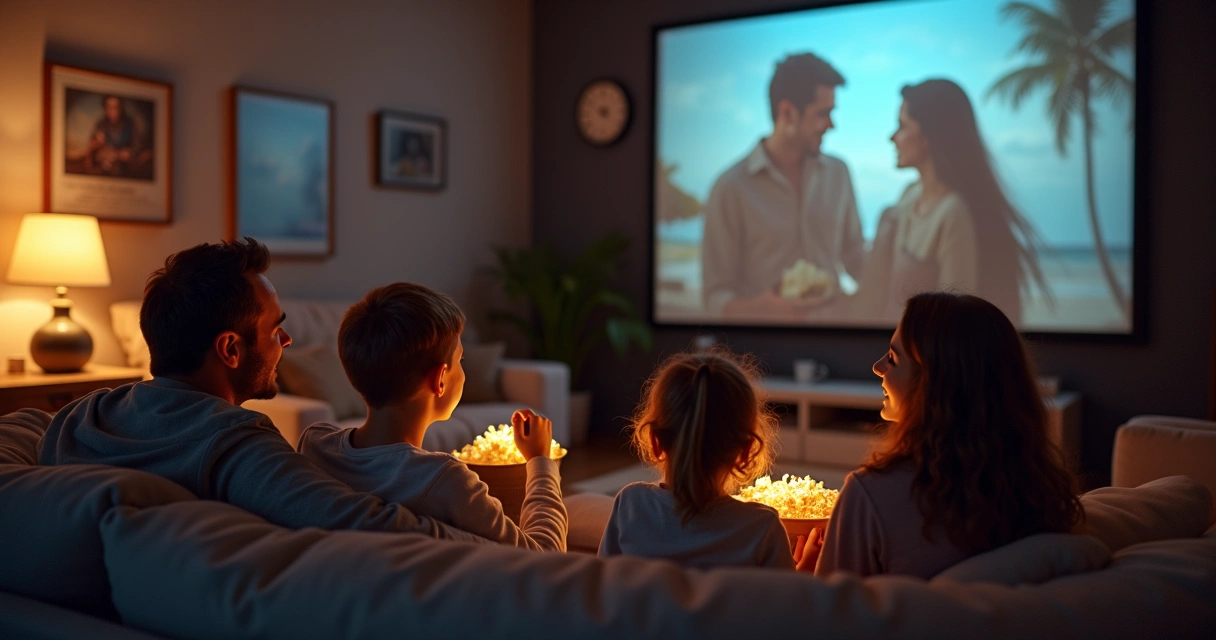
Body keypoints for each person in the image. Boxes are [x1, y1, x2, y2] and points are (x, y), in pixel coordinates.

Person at [37, 238, 487, 542]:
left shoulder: (81, 417)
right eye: (275, 329)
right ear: (231, 349)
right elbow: (366, 524)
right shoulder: (237, 445)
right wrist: (486, 539)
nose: (286, 342)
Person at [813, 292, 1081, 578]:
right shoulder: (1041, 491)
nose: (877, 367)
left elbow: (830, 615)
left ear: (931, 385)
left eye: (892, 358)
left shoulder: (870, 495)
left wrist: (806, 576)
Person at [297, 283, 568, 552]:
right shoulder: (445, 481)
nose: (463, 371)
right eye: (460, 360)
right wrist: (541, 461)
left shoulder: (315, 445)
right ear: (440, 380)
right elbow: (544, 556)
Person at [598, 349, 816, 570]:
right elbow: (784, 603)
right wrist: (806, 568)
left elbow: (604, 584)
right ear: (747, 451)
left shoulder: (631, 504)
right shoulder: (762, 528)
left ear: (655, 441)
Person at [855, 79, 1048, 326]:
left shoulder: (952, 213)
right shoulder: (909, 196)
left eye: (902, 126)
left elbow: (953, 329)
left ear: (928, 136)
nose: (892, 137)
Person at [701, 52, 865, 322]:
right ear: (787, 112)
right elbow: (714, 298)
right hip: (765, 351)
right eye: (823, 113)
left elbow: (856, 257)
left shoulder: (839, 173)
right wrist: (763, 308)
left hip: (838, 339)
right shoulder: (730, 187)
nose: (832, 124)